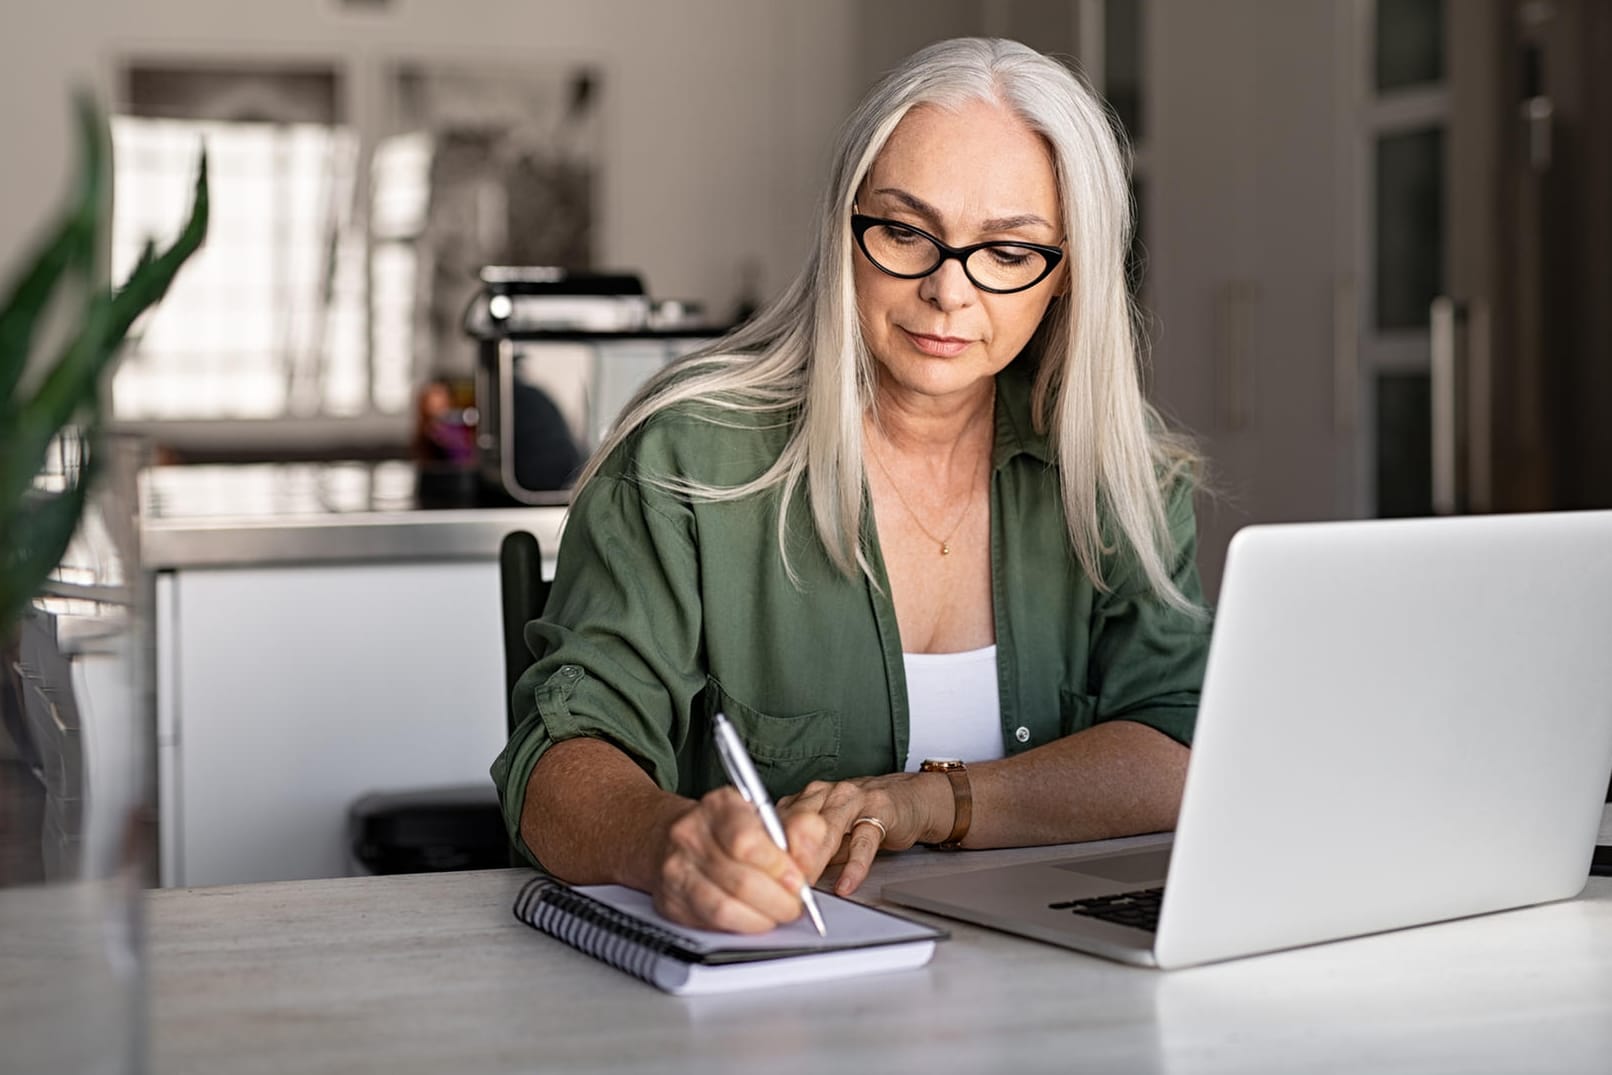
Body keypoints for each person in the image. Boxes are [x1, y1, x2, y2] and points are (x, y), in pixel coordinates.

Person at [491, 37, 1211, 934]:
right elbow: (558, 761)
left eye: (1009, 250)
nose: (949, 291)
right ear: (845, 229)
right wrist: (665, 841)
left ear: (1066, 277)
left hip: (1058, 978)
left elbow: (1179, 747)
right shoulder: (686, 454)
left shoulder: (1120, 470)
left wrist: (925, 802)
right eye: (907, 232)